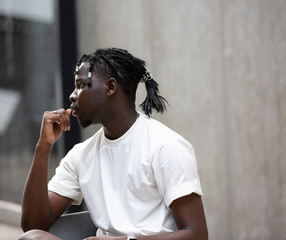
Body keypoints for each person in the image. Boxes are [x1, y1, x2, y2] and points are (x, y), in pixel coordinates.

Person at [19, 48, 208, 240]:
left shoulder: (166, 147)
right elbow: (33, 224)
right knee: (33, 238)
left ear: (110, 87)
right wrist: (43, 147)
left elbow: (197, 235)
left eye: (81, 85)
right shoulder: (81, 155)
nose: (73, 96)